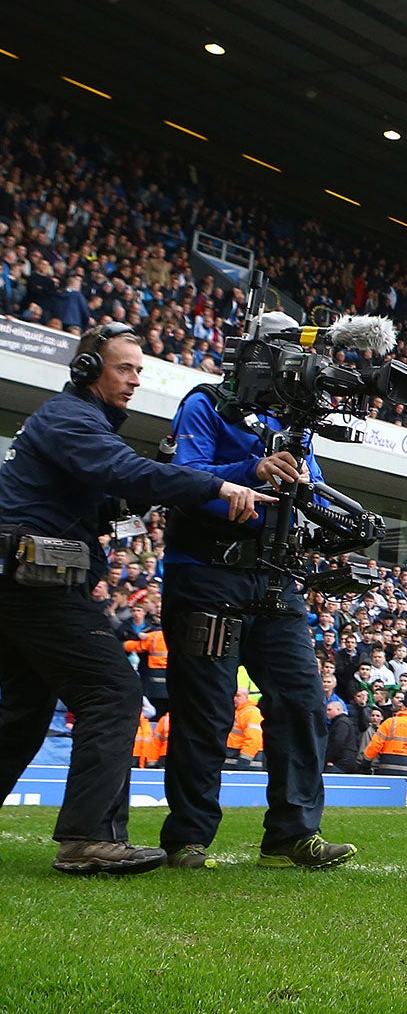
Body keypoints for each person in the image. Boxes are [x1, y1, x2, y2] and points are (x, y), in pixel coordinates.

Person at [0, 322, 267, 875]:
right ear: (86, 369)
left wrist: (146, 492)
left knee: (24, 711)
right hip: (32, 582)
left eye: (140, 370)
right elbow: (122, 470)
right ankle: (89, 839)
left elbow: (110, 496)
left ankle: (89, 835)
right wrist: (214, 486)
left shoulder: (83, 424)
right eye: (125, 368)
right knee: (113, 691)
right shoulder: (71, 419)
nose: (136, 380)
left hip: (30, 578)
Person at [159, 311, 356, 871]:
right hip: (207, 572)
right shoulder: (206, 403)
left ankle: (292, 835)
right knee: (208, 706)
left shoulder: (297, 425)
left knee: (301, 701)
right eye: (287, 351)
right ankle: (188, 838)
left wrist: (339, 522)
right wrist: (252, 467)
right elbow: (184, 479)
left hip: (276, 576)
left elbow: (309, 488)